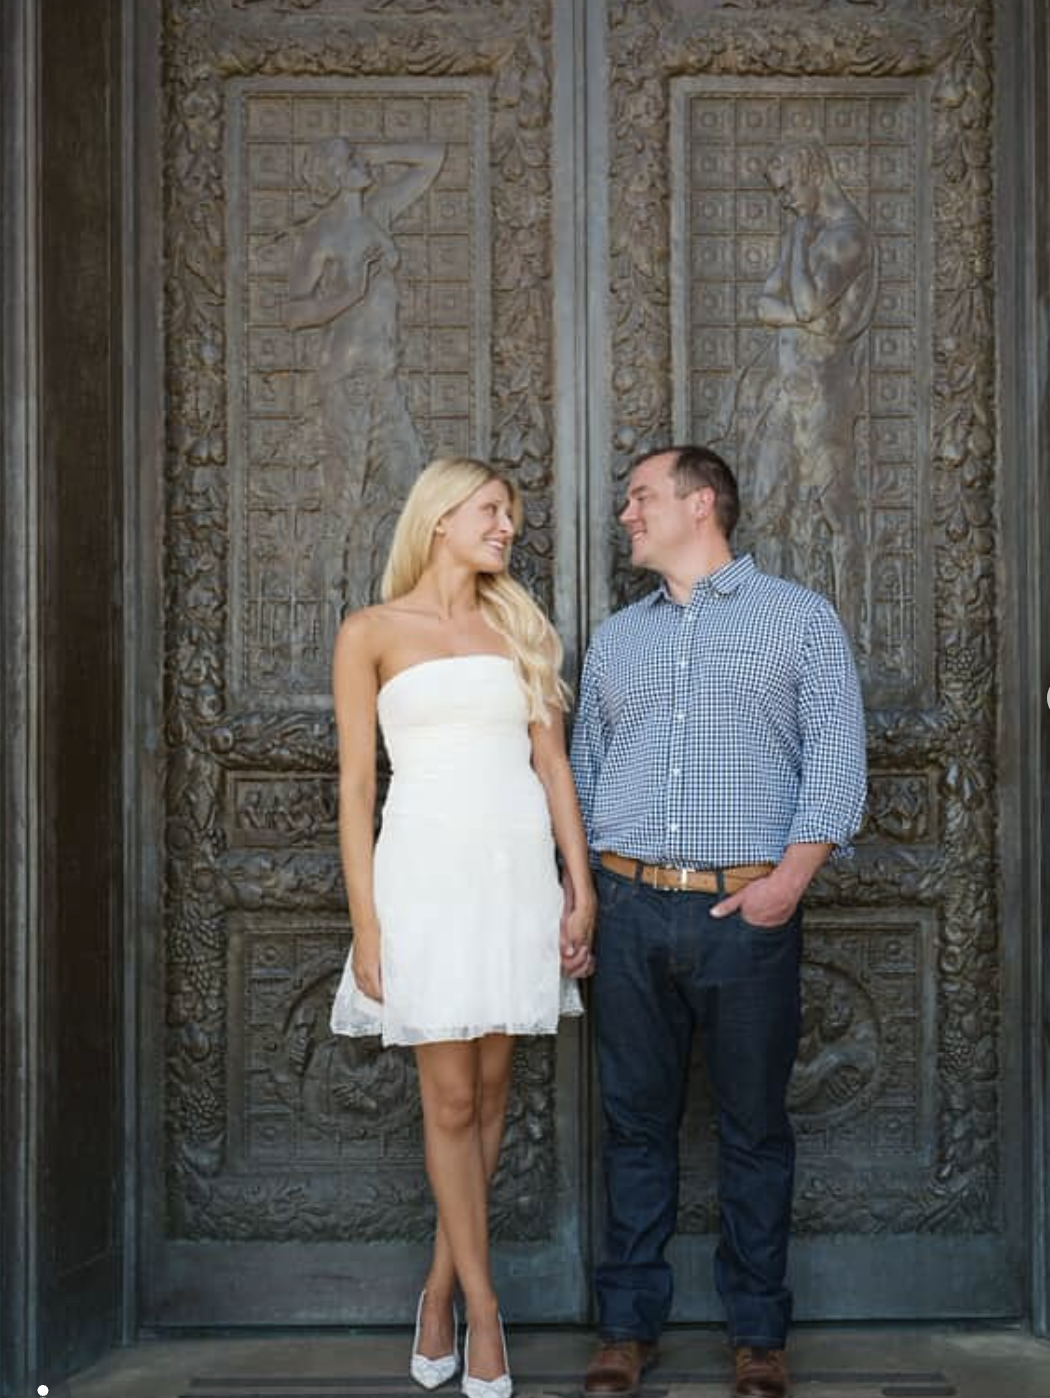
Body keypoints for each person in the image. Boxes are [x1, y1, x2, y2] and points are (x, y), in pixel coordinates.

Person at [570, 445, 866, 1398]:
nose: (626, 514)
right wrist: (585, 896)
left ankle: (758, 1337)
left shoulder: (800, 621)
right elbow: (582, 777)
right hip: (628, 908)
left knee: (753, 1130)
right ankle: (625, 1328)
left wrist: (787, 883)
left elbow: (837, 765)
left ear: (701, 505)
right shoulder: (618, 637)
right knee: (633, 1126)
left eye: (640, 497)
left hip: (747, 915)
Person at [329, 456, 595, 1398]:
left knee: (488, 1096)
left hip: (514, 874)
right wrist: (367, 925)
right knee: (447, 1101)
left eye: (512, 516)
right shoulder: (370, 633)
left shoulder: (518, 627)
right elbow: (358, 788)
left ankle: (438, 1287)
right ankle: (484, 1311)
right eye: (493, 511)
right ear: (440, 517)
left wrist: (580, 884)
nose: (507, 528)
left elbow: (554, 767)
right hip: (424, 879)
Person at [287, 135, 445, 617]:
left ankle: (398, 603)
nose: (358, 163)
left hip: (385, 380)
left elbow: (431, 159)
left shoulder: (378, 212)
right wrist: (351, 293)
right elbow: (294, 312)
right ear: (331, 176)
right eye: (347, 160)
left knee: (415, 491)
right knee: (344, 498)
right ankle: (326, 614)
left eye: (355, 157)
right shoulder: (323, 235)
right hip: (347, 381)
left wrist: (372, 153)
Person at [738, 136, 878, 650]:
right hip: (786, 390)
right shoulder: (807, 229)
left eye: (789, 189)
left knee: (834, 512)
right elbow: (767, 305)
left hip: (824, 398)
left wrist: (797, 244)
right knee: (770, 503)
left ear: (813, 172)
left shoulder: (847, 236)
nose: (785, 201)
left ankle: (846, 633)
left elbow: (808, 300)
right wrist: (800, 312)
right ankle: (772, 629)